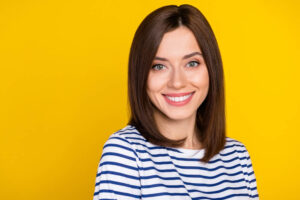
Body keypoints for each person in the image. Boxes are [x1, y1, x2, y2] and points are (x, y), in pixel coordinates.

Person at [93, 4, 259, 200]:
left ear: (211, 69)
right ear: (141, 75)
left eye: (192, 63)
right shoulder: (125, 153)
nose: (177, 82)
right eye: (159, 66)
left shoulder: (237, 157)